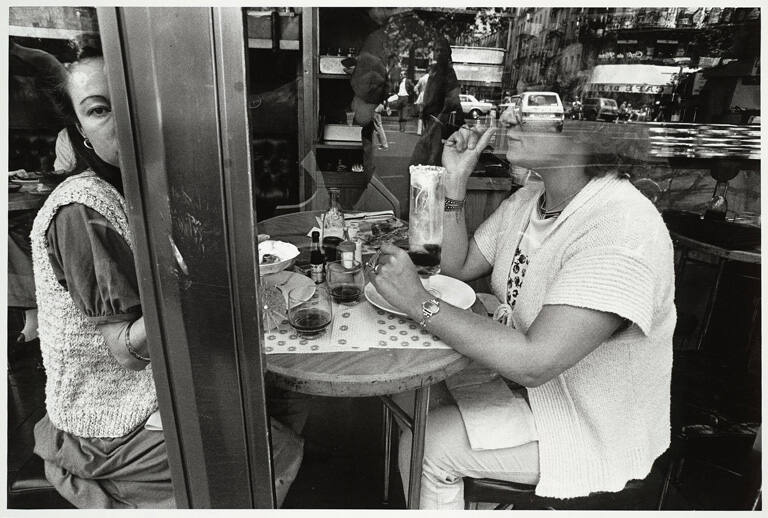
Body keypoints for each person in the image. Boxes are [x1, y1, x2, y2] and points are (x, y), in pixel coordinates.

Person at [30, 49, 304, 509]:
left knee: (281, 399)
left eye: (132, 101)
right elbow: (127, 351)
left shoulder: (137, 186)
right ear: (81, 131)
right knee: (275, 451)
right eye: (99, 109)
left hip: (160, 387)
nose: (124, 121)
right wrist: (209, 279)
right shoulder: (83, 211)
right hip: (110, 423)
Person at [367, 107, 675, 508]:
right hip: (529, 388)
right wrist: (456, 182)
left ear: (587, 132)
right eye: (514, 106)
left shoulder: (621, 229)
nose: (508, 118)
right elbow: (459, 267)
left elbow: (535, 363)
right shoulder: (533, 199)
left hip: (588, 423)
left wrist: (417, 301)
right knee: (415, 396)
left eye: (533, 109)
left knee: (429, 443)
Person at [409, 38, 465, 166]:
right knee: (428, 153)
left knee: (430, 155)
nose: (438, 53)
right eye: (436, 50)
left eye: (441, 50)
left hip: (438, 120)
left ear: (447, 53)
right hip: (430, 118)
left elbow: (452, 100)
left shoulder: (448, 72)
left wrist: (435, 123)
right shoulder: (435, 70)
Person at [414, 71, 429, 136]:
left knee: (421, 114)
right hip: (429, 97)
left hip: (422, 96)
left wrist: (418, 93)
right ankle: (426, 130)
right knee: (428, 114)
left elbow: (415, 87)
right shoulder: (432, 78)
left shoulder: (422, 78)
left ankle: (419, 131)